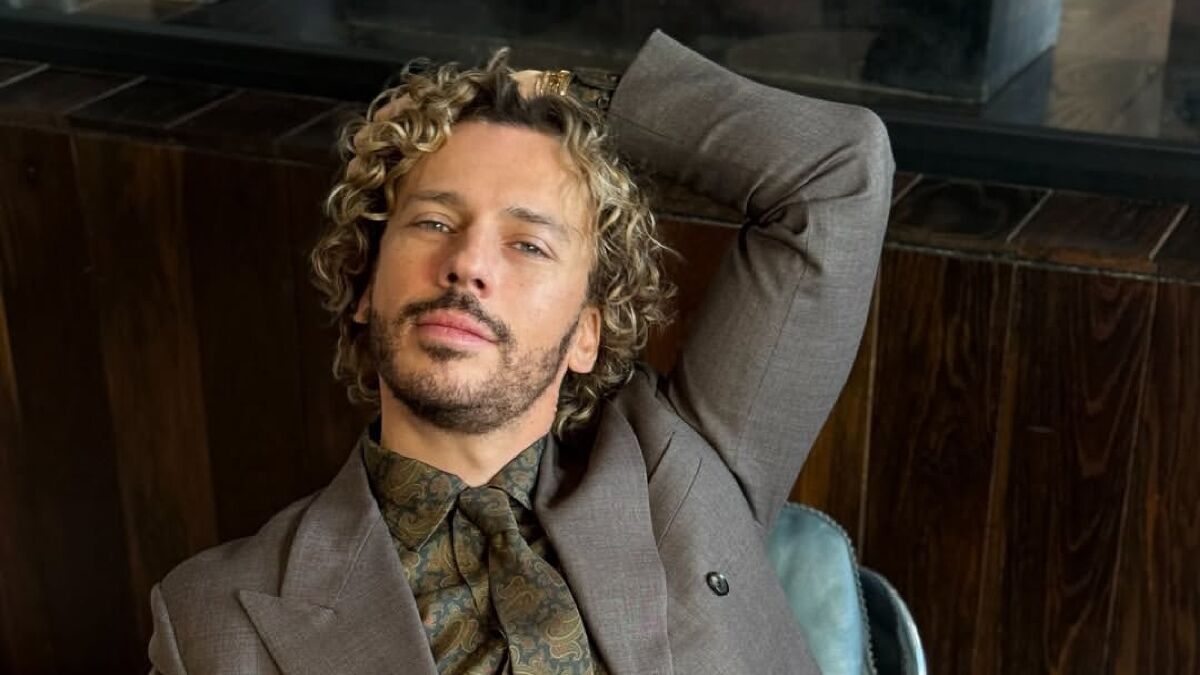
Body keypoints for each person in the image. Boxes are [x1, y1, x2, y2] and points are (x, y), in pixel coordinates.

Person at [147, 30, 893, 675]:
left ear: (588, 331)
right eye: (434, 222)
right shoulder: (211, 619)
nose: (468, 263)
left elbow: (835, 173)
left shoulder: (689, 466)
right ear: (365, 286)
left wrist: (556, 93)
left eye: (528, 243)